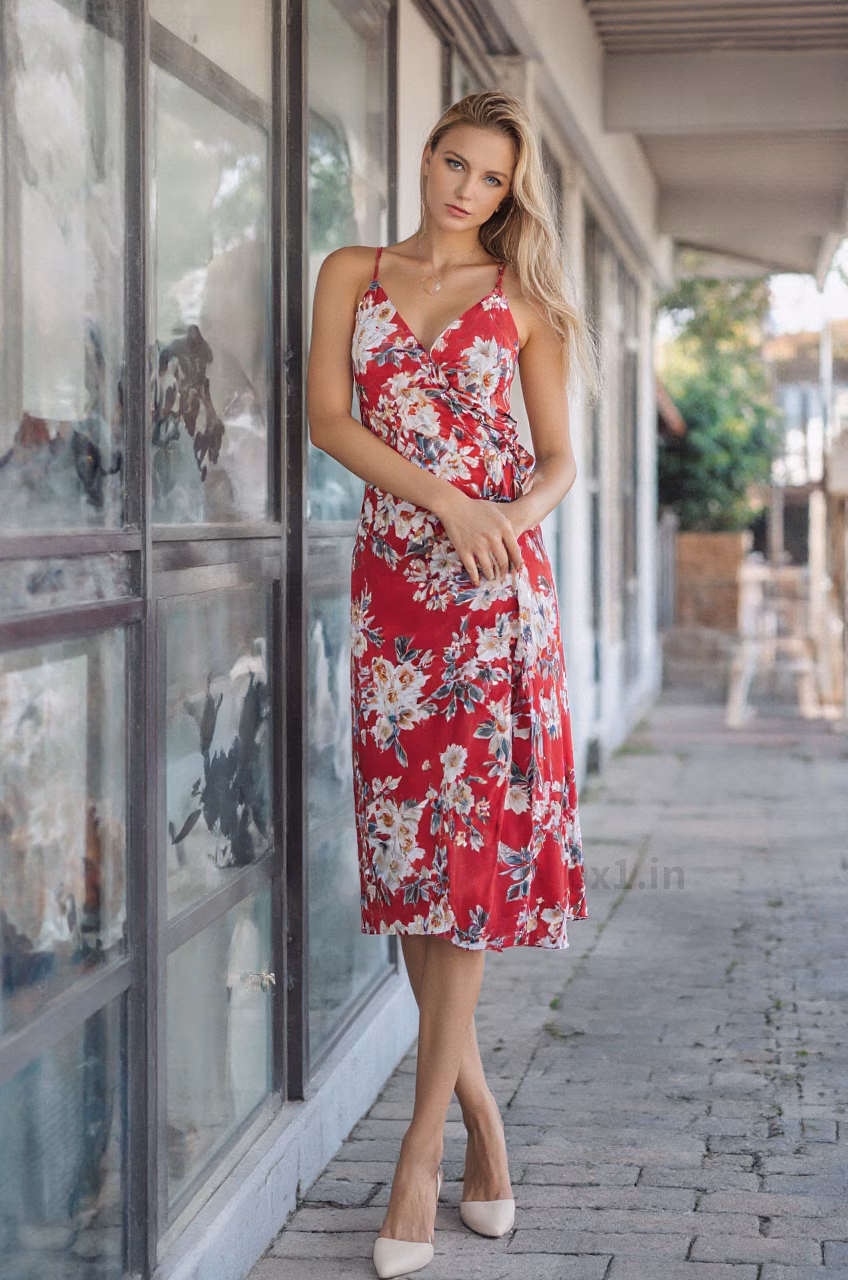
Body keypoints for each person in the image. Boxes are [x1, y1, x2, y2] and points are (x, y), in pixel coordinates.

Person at [307, 89, 599, 1280]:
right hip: (393, 597)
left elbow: (558, 458)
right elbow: (330, 419)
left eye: (486, 177)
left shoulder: (522, 300)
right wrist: (443, 500)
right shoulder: (351, 272)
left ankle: (418, 1149)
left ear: (507, 194)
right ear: (424, 158)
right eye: (450, 162)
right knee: (409, 869)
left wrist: (508, 518)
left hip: (494, 605)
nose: (462, 188)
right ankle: (482, 1119)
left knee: (462, 870)